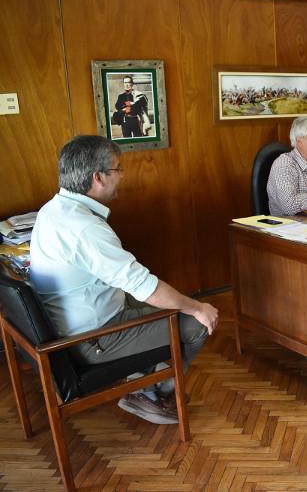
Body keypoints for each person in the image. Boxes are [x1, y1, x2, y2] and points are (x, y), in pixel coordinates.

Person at [30, 135, 219, 425]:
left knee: (166, 300)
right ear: (98, 178)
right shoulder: (84, 228)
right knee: (197, 323)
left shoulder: (53, 209)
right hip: (92, 339)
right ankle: (153, 393)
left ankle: (146, 382)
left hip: (82, 320)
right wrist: (195, 307)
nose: (122, 175)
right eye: (118, 169)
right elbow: (146, 286)